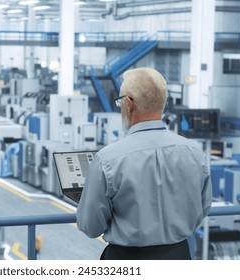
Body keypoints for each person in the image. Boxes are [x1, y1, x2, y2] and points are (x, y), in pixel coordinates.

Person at [76, 67, 212, 260]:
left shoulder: (108, 159)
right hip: (179, 257)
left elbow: (90, 226)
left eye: (120, 101)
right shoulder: (195, 153)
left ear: (129, 103)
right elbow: (202, 209)